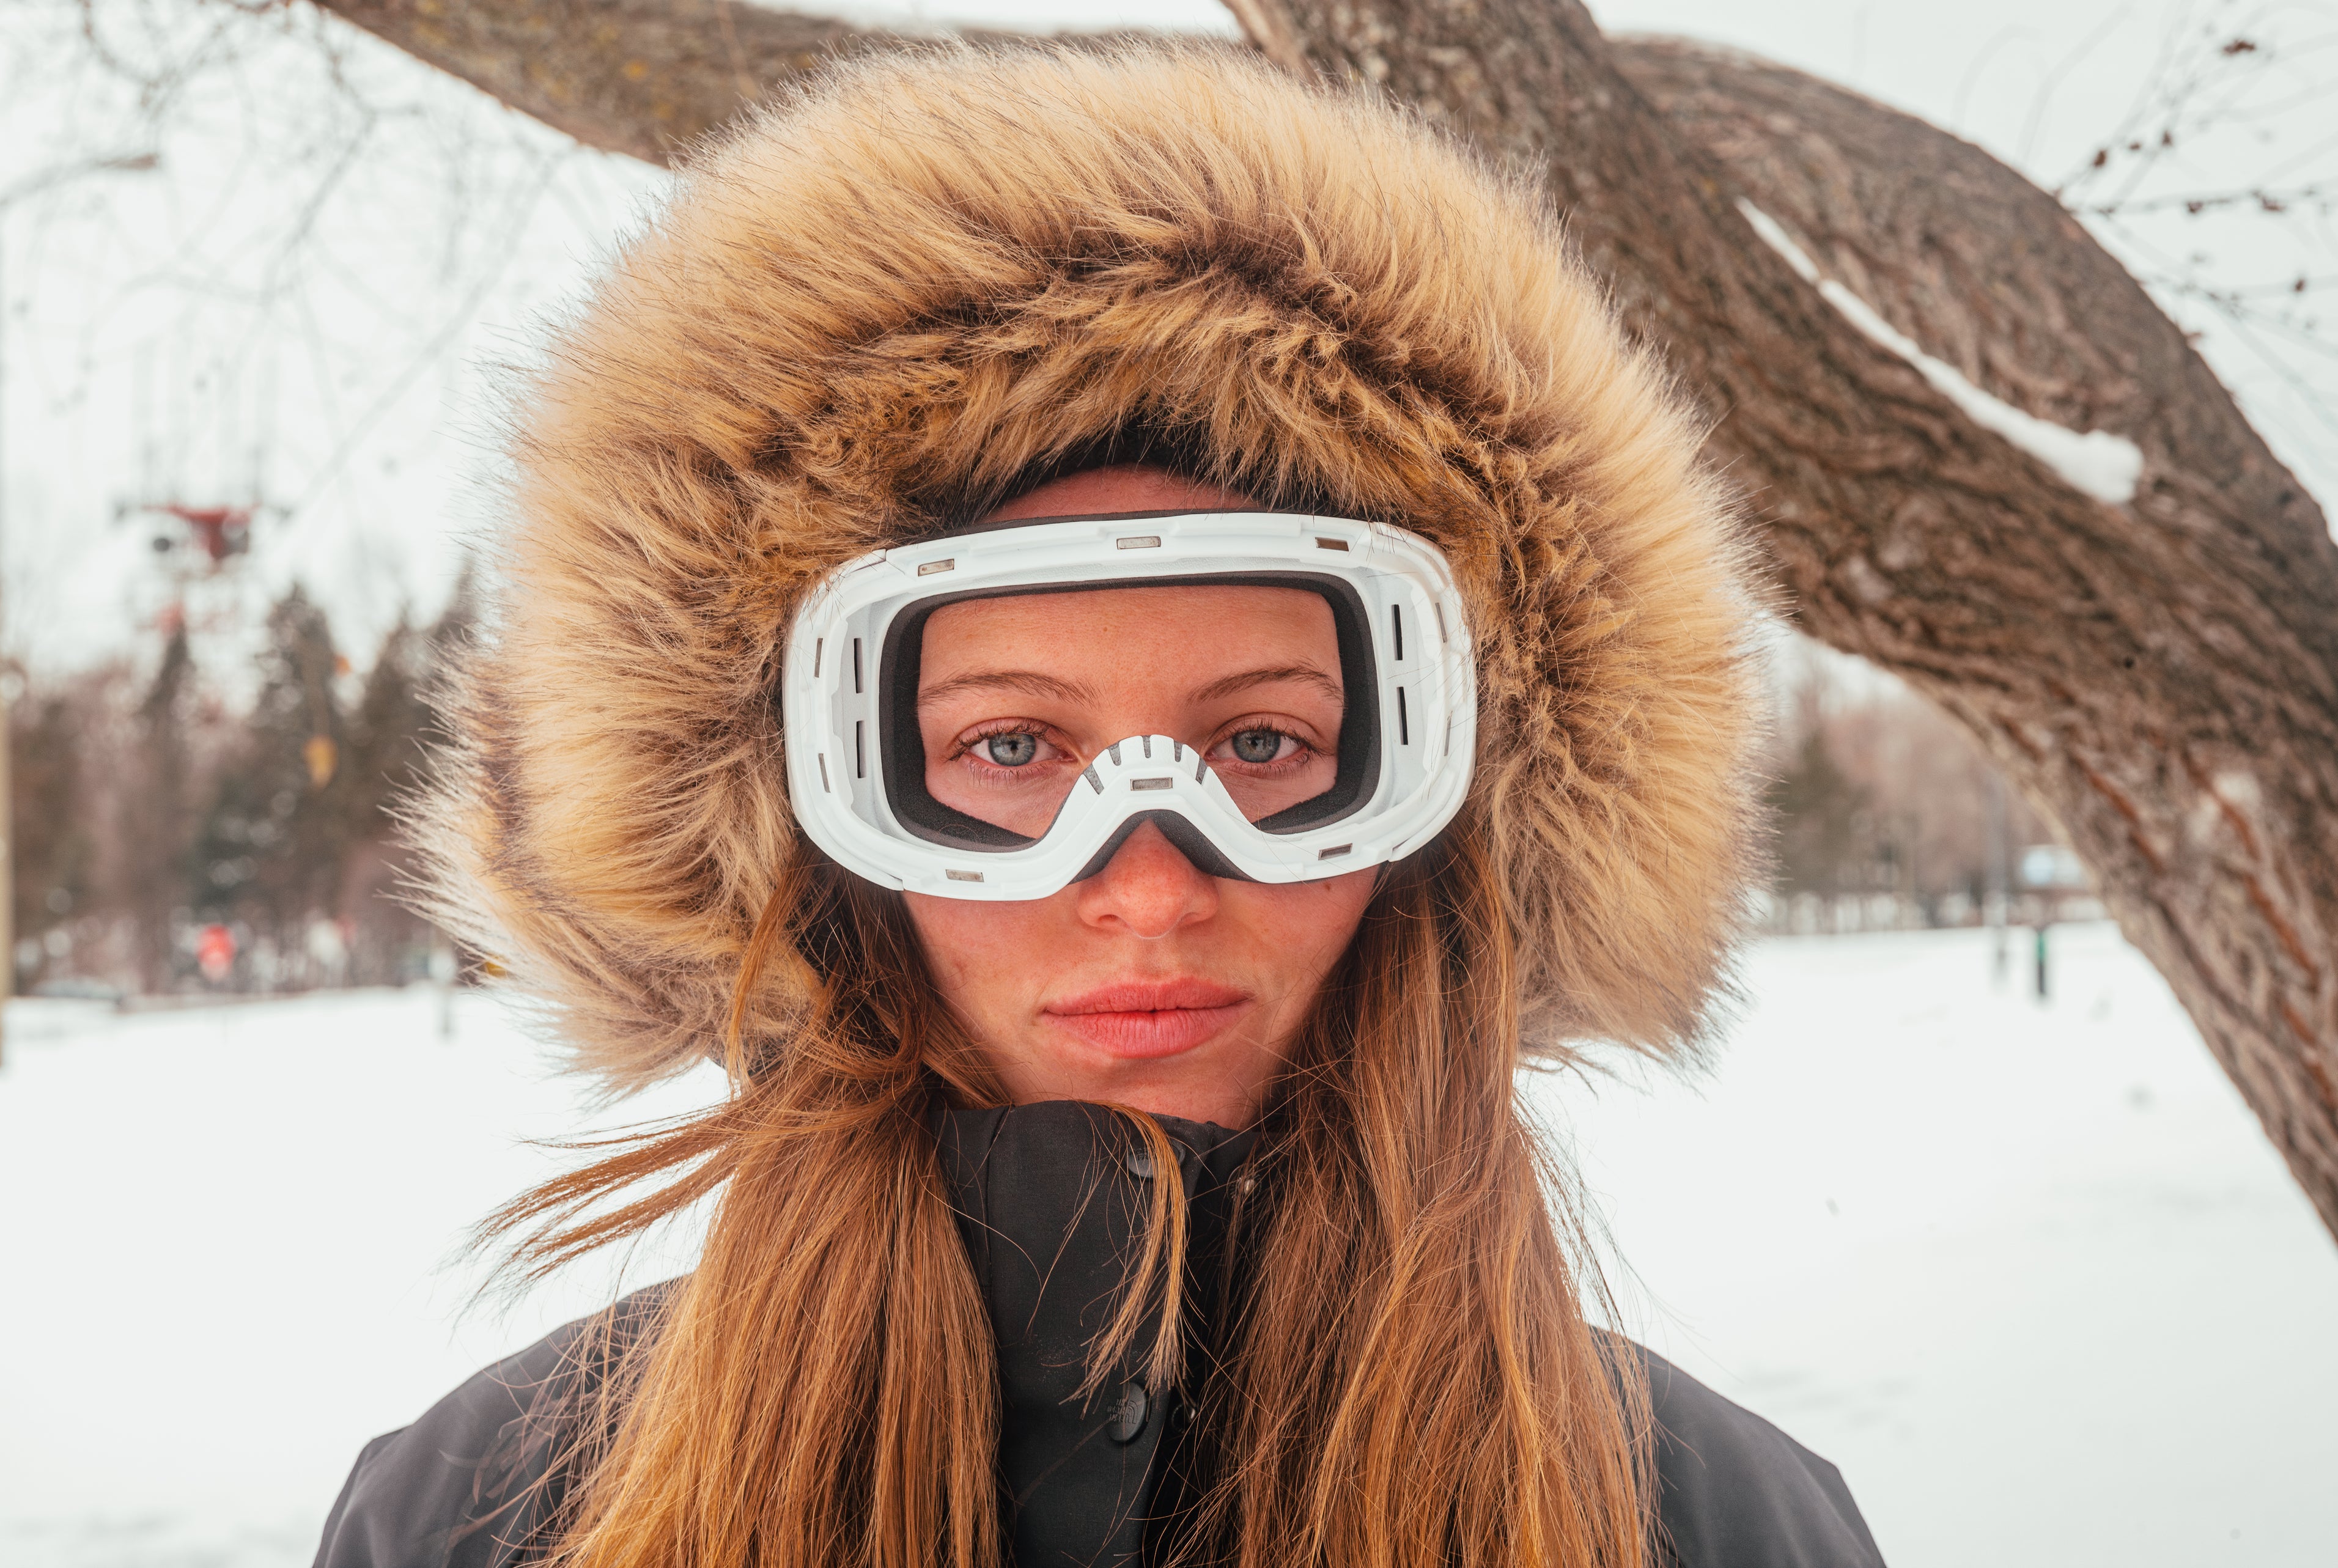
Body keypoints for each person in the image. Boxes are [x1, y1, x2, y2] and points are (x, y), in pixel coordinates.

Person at [316, 43, 1884, 1568]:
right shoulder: (487, 1517)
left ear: (1448, 813)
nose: (1146, 887)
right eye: (1011, 748)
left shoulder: (1715, 1525)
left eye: (1263, 743)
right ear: (811, 827)